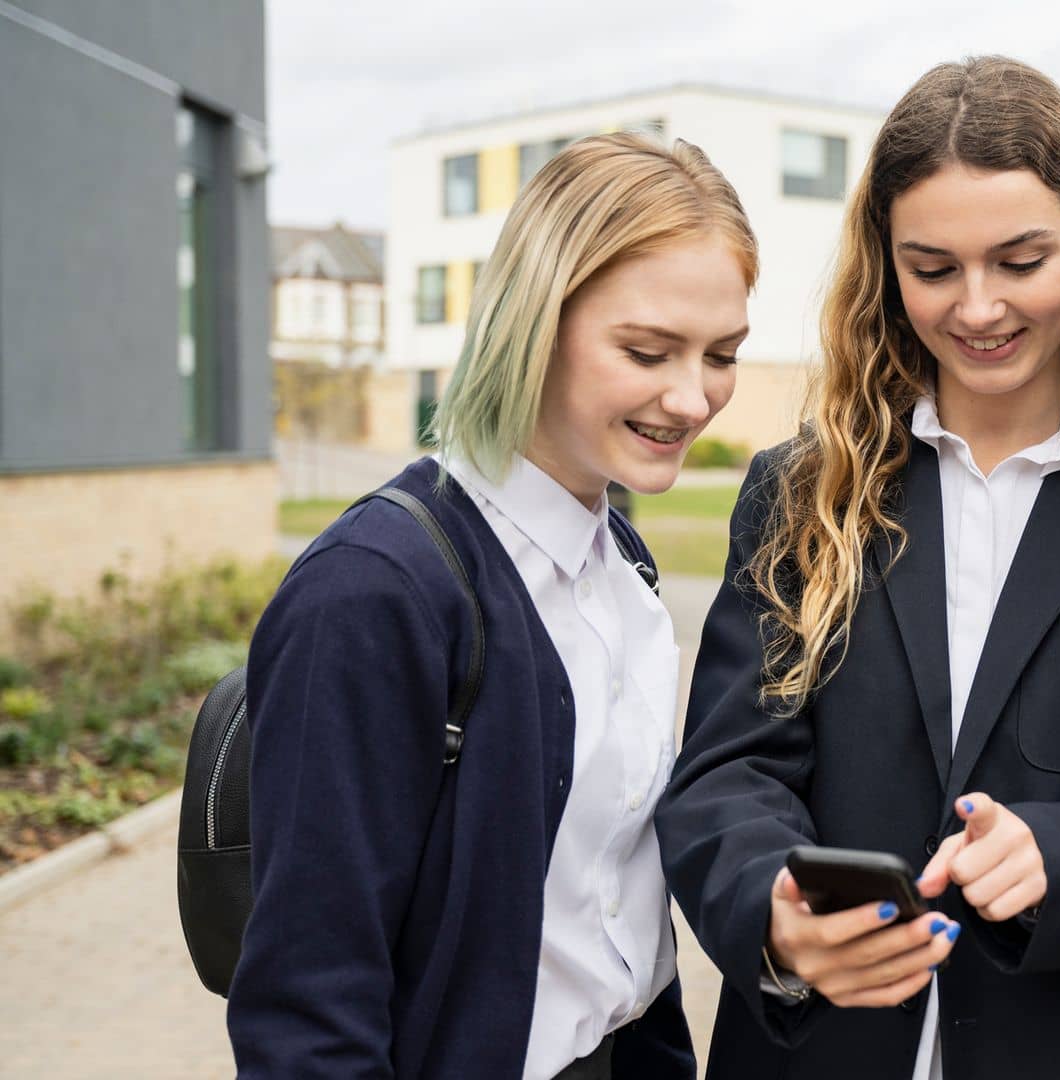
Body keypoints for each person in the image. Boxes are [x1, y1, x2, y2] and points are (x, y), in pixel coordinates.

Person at [655, 56, 1060, 1080]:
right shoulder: (800, 490)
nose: (978, 308)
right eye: (934, 268)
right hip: (816, 1052)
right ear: (886, 265)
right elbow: (729, 773)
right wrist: (772, 906)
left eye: (1019, 260)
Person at [228, 133, 758, 1079]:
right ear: (533, 321)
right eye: (647, 350)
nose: (692, 396)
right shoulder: (372, 593)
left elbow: (613, 911)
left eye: (722, 354)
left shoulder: (621, 567)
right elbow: (308, 1008)